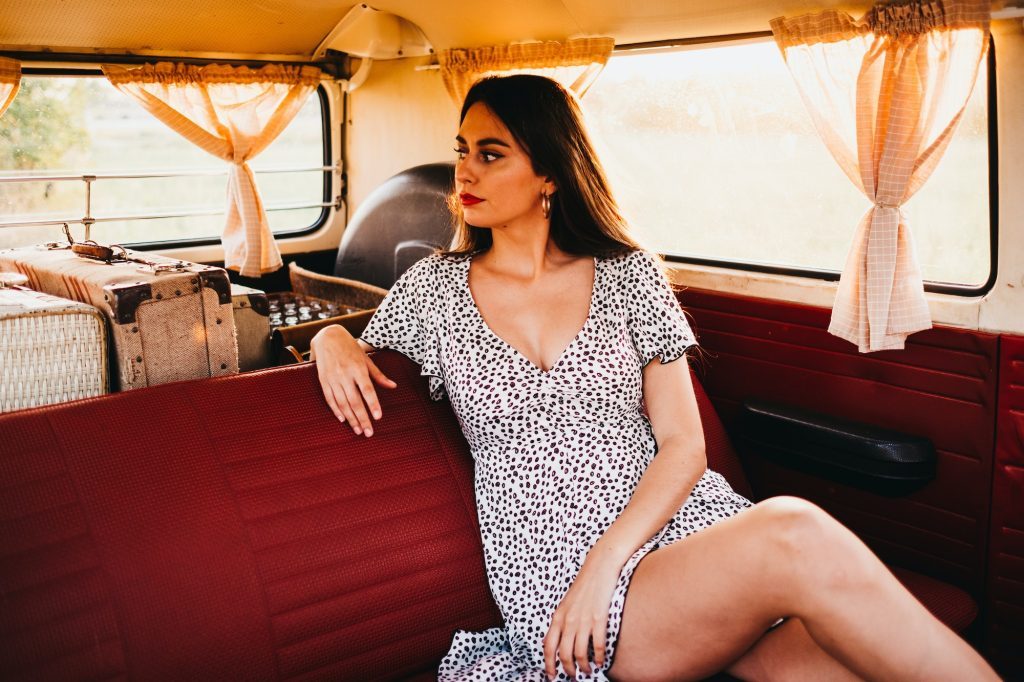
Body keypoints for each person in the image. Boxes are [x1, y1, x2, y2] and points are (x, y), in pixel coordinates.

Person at [309, 75, 997, 682]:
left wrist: (612, 560)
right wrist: (328, 338)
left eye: (491, 154)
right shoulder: (434, 289)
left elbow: (683, 445)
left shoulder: (628, 273)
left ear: (549, 173)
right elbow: (359, 341)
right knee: (794, 530)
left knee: (831, 664)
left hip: (678, 530)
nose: (465, 171)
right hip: (556, 575)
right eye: (463, 150)